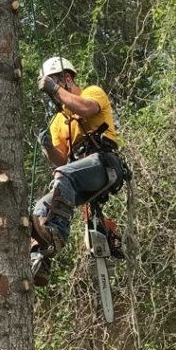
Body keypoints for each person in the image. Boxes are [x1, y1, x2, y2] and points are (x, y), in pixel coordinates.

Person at [31, 56, 125, 285]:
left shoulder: (91, 93)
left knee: (64, 175)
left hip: (103, 165)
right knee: (39, 208)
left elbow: (87, 110)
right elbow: (60, 160)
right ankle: (40, 258)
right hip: (79, 176)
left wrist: (55, 89)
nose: (52, 92)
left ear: (67, 78)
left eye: (55, 82)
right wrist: (47, 147)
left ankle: (57, 233)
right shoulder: (58, 121)